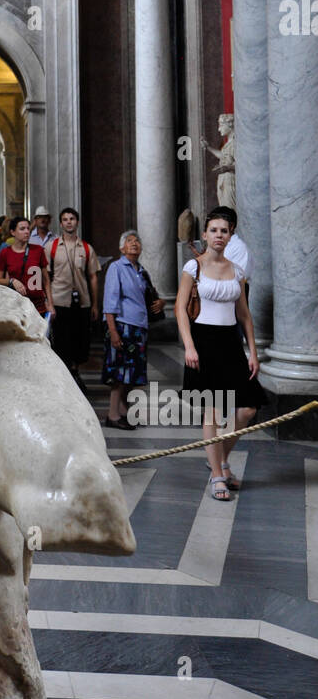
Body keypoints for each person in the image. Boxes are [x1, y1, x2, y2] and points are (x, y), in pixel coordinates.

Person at [176, 209, 265, 501]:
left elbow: (244, 315)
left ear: (230, 235)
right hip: (203, 341)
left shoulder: (236, 270)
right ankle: (217, 475)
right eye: (213, 230)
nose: (218, 236)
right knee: (213, 411)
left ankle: (220, 459)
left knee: (247, 409)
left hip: (230, 342)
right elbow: (179, 308)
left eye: (224, 231)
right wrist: (189, 345)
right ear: (205, 234)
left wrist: (252, 352)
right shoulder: (194, 267)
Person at [101, 230, 163, 429]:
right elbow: (109, 302)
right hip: (122, 324)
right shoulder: (116, 268)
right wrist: (113, 331)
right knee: (119, 373)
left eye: (137, 241)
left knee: (131, 373)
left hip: (139, 326)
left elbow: (148, 296)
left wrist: (160, 302)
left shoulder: (141, 270)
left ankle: (123, 411)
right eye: (129, 241)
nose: (134, 243)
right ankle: (112, 415)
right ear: (121, 248)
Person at [49, 207, 100, 387]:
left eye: (72, 218)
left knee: (80, 340)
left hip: (82, 301)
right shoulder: (52, 247)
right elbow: (45, 276)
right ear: (61, 223)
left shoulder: (86, 248)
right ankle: (64, 376)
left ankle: (75, 371)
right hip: (59, 300)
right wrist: (49, 304)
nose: (69, 222)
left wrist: (94, 304)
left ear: (77, 222)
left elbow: (93, 276)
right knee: (62, 340)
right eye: (65, 219)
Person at [0, 217, 53, 318]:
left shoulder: (38, 250)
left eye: (28, 228)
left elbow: (46, 280)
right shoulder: (6, 253)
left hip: (38, 306)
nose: (26, 232)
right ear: (13, 232)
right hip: (17, 306)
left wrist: (50, 303)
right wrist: (12, 281)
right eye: (22, 229)